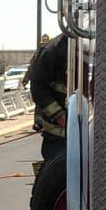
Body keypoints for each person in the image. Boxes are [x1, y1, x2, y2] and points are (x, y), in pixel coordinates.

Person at [28, 32, 69, 164]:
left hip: (87, 136)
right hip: (58, 137)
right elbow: (37, 87)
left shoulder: (92, 48)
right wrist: (59, 115)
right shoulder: (52, 50)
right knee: (55, 180)